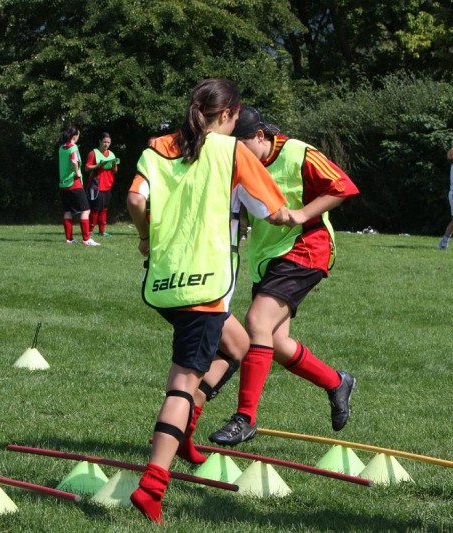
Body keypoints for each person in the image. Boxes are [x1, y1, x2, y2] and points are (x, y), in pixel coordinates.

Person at [126, 78, 289, 524]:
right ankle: (152, 484)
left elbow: (136, 198)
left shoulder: (158, 147)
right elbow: (275, 211)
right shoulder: (231, 151)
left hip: (165, 282)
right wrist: (306, 214)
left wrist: (145, 236)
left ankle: (184, 433)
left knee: (237, 346)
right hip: (204, 288)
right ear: (229, 114)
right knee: (182, 382)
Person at [208, 105, 359, 446]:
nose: (235, 153)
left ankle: (244, 418)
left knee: (256, 322)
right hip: (268, 257)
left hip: (307, 247)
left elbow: (343, 186)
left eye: (240, 145)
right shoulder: (239, 161)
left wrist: (301, 214)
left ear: (260, 136)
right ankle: (336, 382)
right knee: (274, 342)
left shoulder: (299, 153)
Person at [58, 126, 100, 246]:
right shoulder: (73, 147)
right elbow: (73, 161)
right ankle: (86, 239)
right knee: (85, 210)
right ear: (74, 136)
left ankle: (69, 239)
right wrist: (77, 172)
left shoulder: (61, 148)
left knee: (68, 211)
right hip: (74, 183)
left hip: (63, 184)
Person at [85, 132, 119, 236]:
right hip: (95, 186)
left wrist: (114, 164)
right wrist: (98, 166)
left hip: (107, 186)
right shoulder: (93, 153)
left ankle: (102, 231)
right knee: (95, 209)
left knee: (104, 209)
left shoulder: (112, 154)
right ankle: (90, 231)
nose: (106, 144)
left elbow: (115, 171)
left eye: (108, 142)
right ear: (99, 141)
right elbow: (87, 168)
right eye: (104, 142)